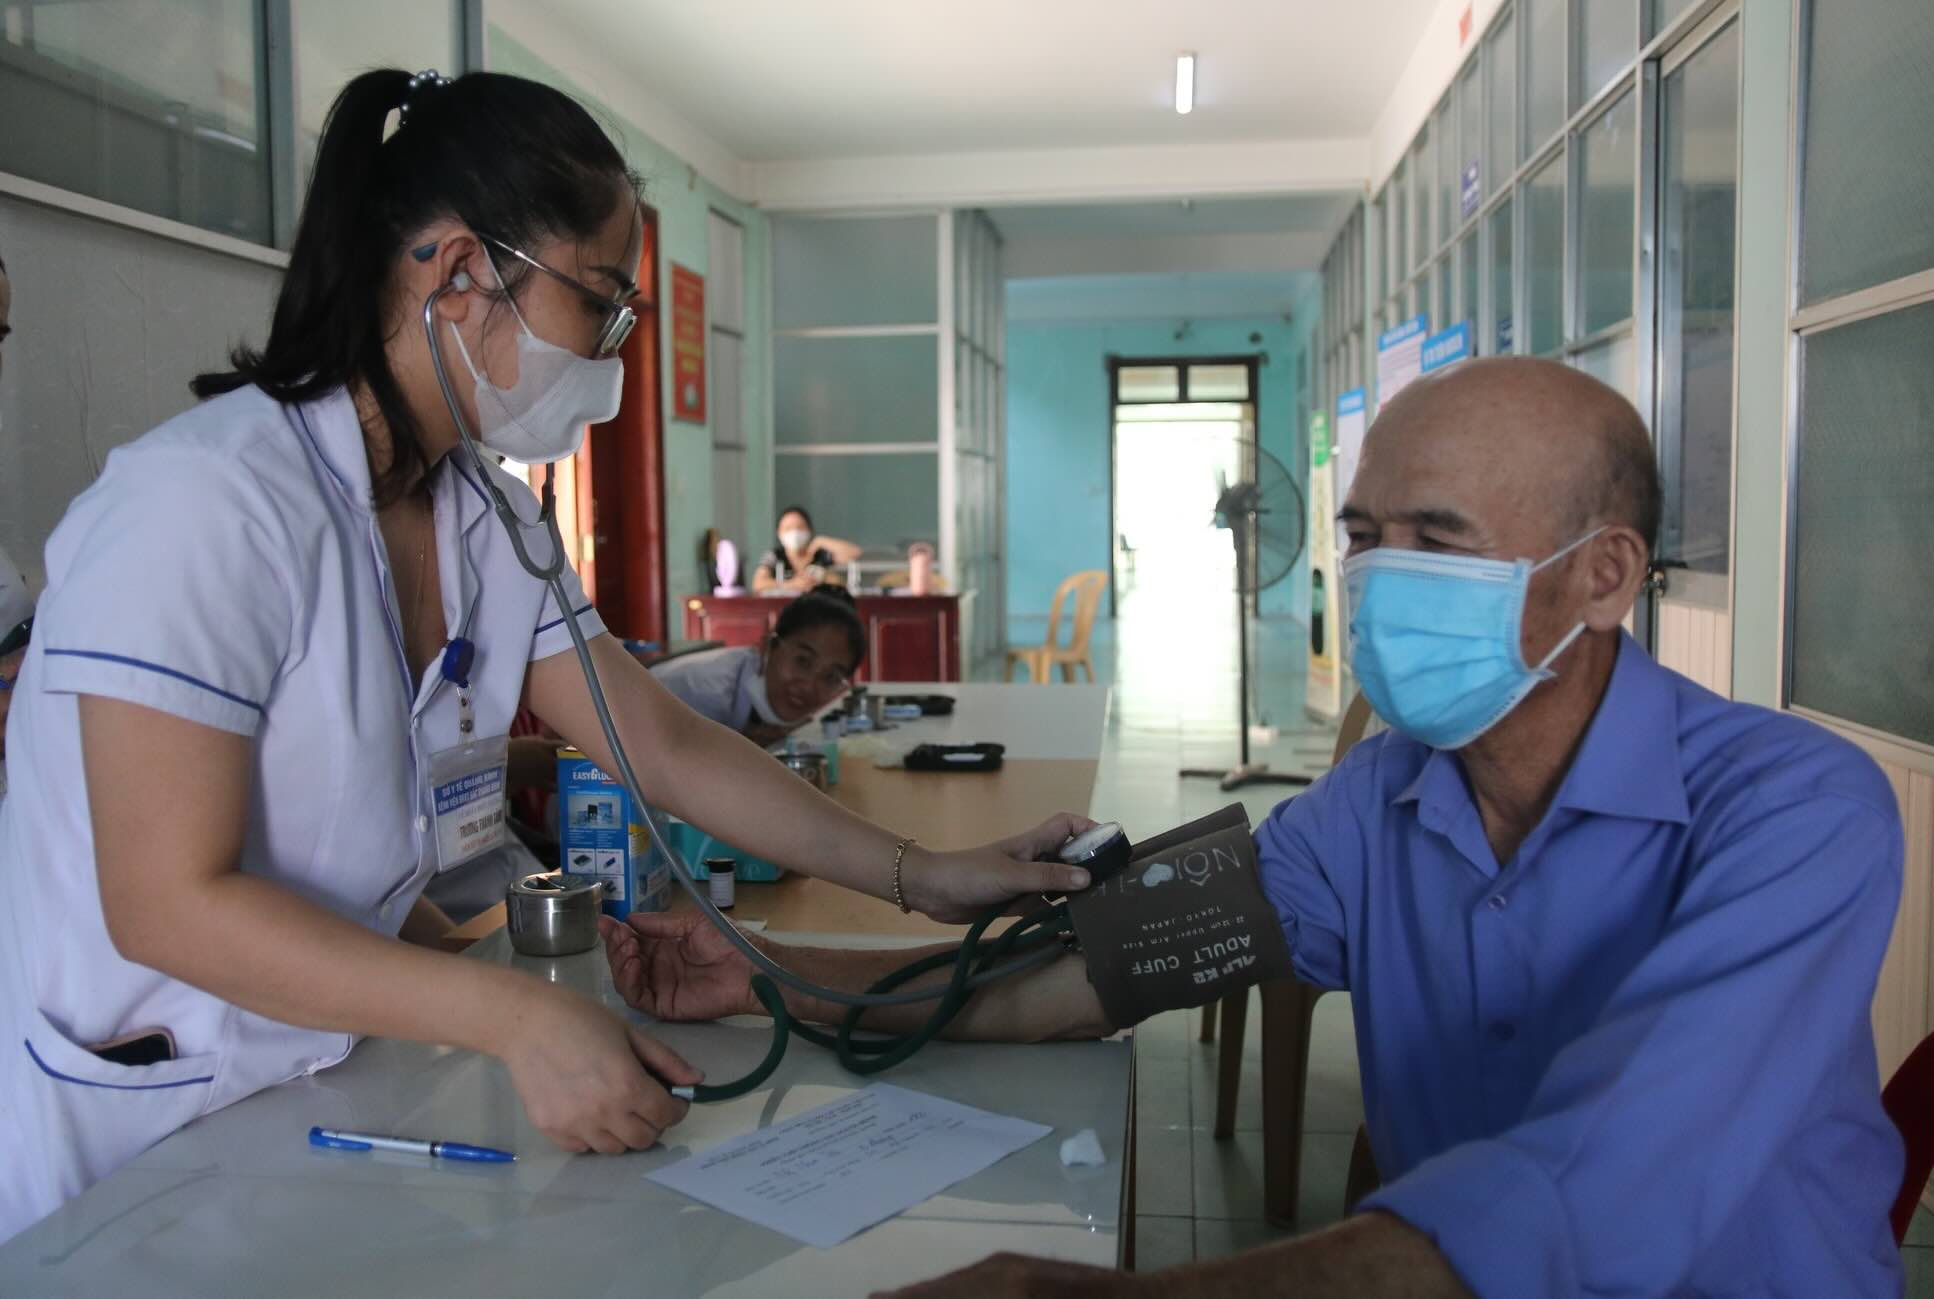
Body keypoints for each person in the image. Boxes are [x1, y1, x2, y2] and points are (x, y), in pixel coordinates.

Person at [0, 68, 1092, 1241]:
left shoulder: (488, 518)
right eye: (600, 303)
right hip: (135, 1128)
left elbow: (662, 743)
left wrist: (921, 874)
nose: (615, 349)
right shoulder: (206, 503)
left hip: (316, 1093)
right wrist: (510, 1015)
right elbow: (166, 907)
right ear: (461, 272)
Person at [605, 357, 1906, 1298]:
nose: (1378, 576)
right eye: (1361, 537)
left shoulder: (1792, 811)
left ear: (1603, 574)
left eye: (1434, 543)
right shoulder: (1368, 807)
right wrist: (773, 975)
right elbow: (1074, 972)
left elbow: (1606, 1180)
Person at [653, 583, 862, 746]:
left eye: (830, 678)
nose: (809, 686)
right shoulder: (706, 691)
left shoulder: (760, 694)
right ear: (768, 645)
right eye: (803, 661)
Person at [751, 505, 860, 594]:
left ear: (809, 529)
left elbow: (855, 553)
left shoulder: (821, 555)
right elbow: (758, 584)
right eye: (788, 528)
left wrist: (822, 541)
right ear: (779, 533)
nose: (795, 532)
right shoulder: (774, 556)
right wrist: (791, 584)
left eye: (800, 527)